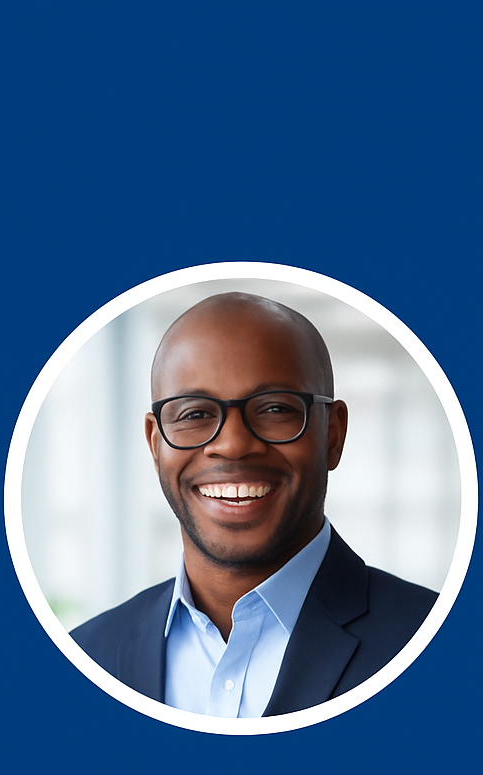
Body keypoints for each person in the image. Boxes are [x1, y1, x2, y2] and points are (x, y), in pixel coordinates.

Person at [70, 292, 438, 717]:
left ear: (333, 435)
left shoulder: (433, 638)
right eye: (194, 414)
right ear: (155, 444)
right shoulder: (86, 655)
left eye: (275, 409)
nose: (232, 444)